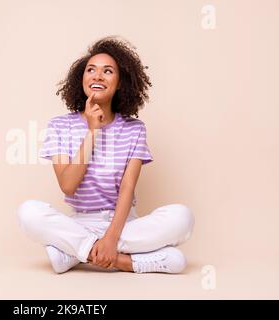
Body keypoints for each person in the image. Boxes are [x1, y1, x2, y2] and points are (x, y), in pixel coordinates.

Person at [17, 36, 194, 274]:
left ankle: (74, 253)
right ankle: (119, 259)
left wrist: (111, 238)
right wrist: (92, 130)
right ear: (82, 78)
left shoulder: (134, 129)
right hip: (80, 222)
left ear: (120, 83)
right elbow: (68, 186)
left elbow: (127, 189)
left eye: (108, 71)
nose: (97, 76)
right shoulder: (60, 126)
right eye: (91, 70)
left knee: (182, 217)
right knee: (29, 213)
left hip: (123, 225)